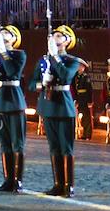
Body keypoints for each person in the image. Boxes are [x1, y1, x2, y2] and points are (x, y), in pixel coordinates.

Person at [34, 24, 82, 197]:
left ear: (67, 41)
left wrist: (54, 56)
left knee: (66, 147)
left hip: (63, 106)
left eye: (59, 36)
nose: (55, 38)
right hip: (48, 106)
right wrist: (42, 84)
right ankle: (57, 184)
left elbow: (65, 76)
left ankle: (69, 185)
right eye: (53, 36)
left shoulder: (72, 60)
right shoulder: (43, 61)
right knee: (54, 147)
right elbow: (33, 83)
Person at [0, 24, 27, 192]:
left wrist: (3, 53)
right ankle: (8, 179)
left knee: (17, 143)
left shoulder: (18, 54)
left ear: (14, 38)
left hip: (13, 101)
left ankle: (18, 180)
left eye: (7, 33)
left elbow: (12, 72)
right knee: (5, 143)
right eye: (0, 33)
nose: (2, 35)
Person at [74, 61, 92, 140]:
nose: (78, 68)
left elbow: (89, 90)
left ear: (83, 67)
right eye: (78, 66)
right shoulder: (76, 76)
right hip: (79, 97)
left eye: (80, 66)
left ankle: (87, 134)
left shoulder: (85, 77)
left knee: (86, 117)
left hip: (84, 98)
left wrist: (89, 101)